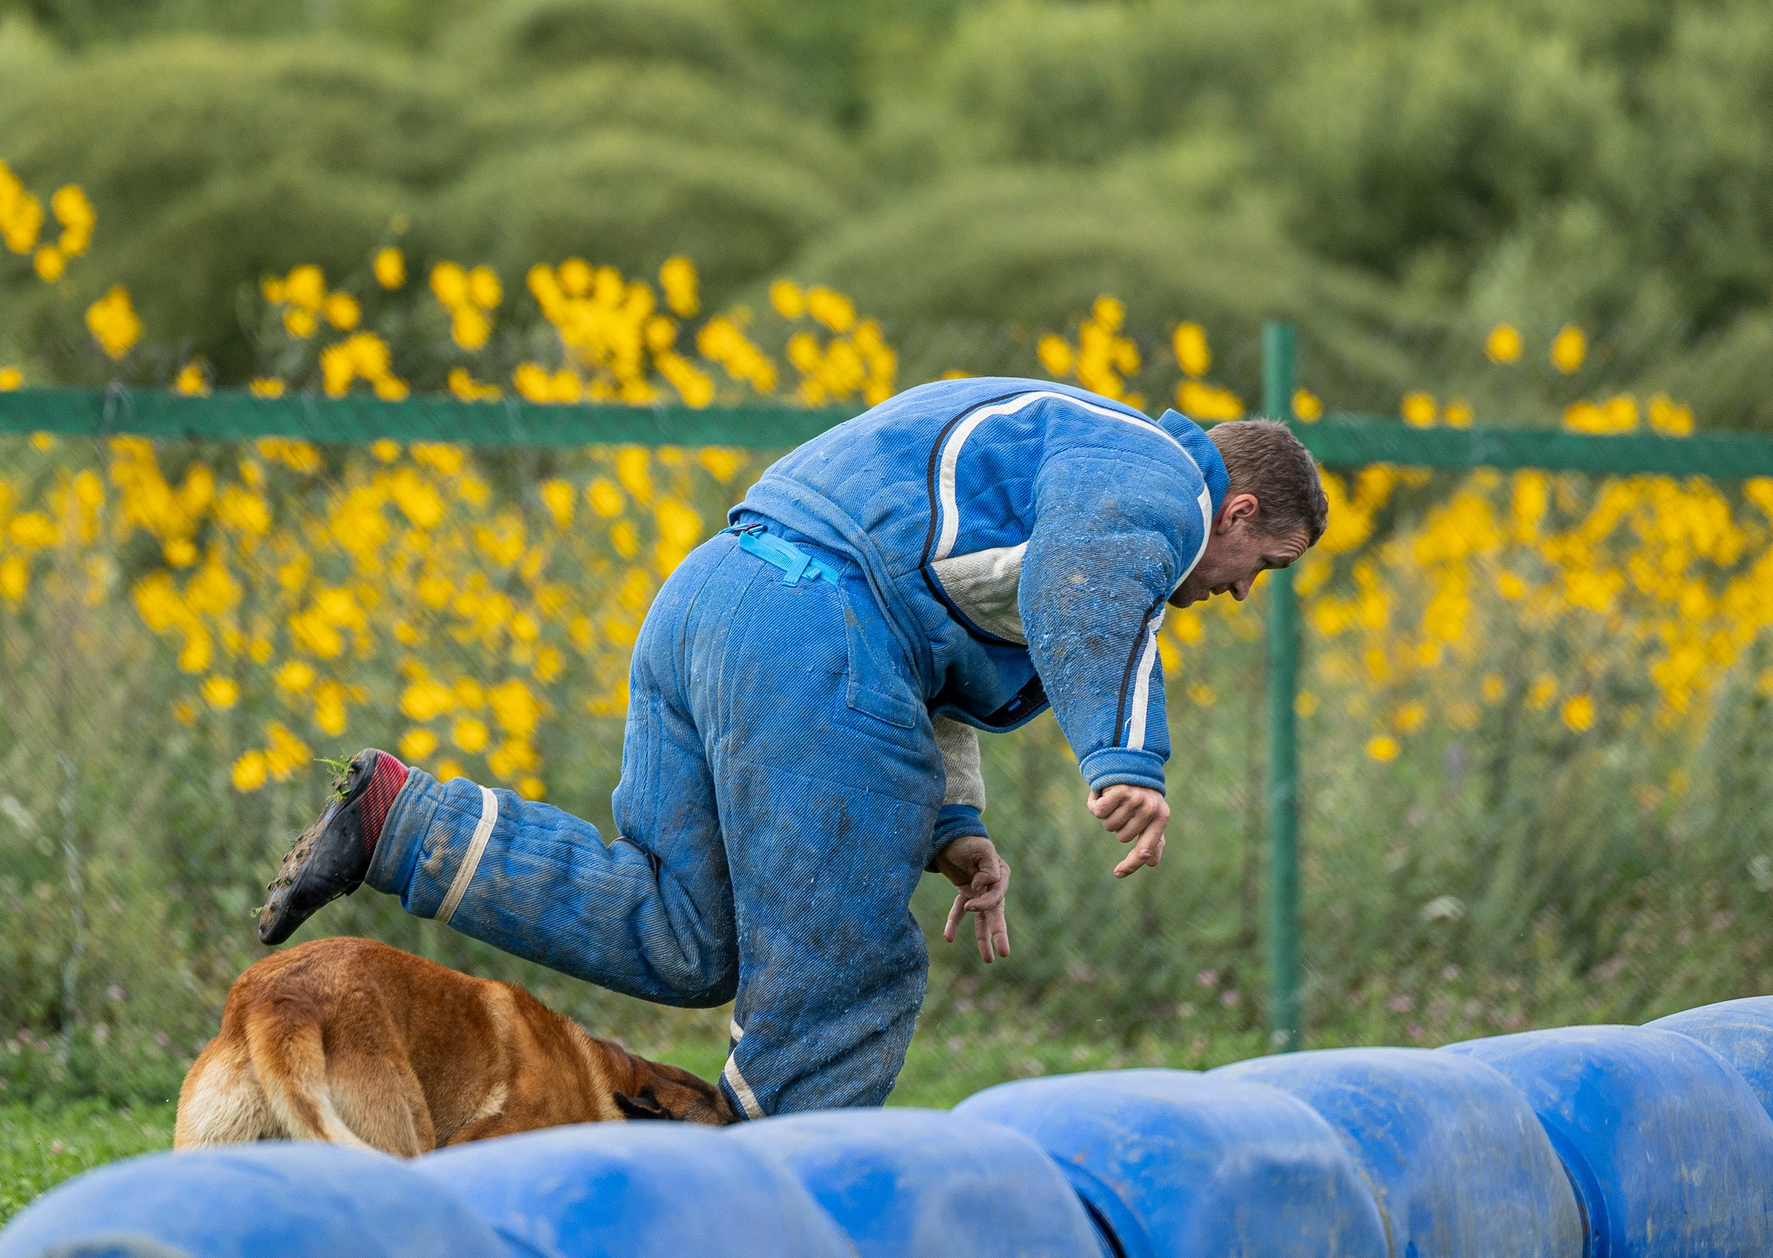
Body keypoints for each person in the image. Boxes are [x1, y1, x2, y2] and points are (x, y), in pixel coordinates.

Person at [255, 378, 1326, 1118]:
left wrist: (955, 831)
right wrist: (1125, 761)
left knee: (684, 930)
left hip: (715, 597)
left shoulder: (1076, 443)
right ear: (1233, 511)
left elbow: (942, 634)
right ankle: (772, 1226)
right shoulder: (1154, 485)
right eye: (1260, 567)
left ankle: (403, 825)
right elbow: (1083, 587)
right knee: (845, 984)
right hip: (821, 630)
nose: (1234, 593)